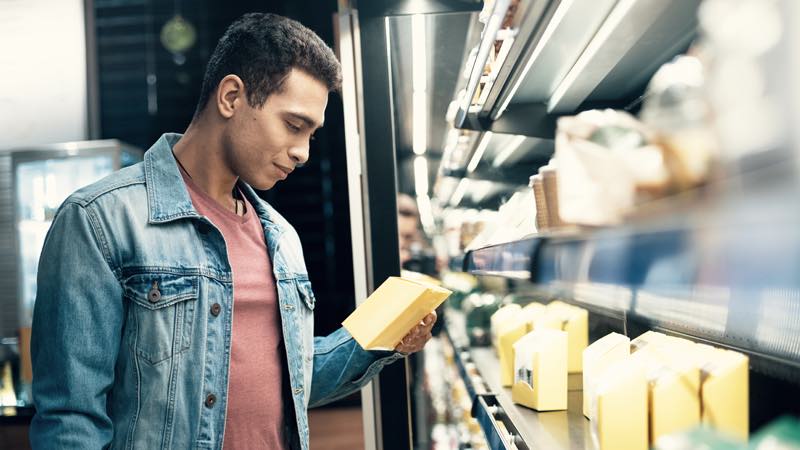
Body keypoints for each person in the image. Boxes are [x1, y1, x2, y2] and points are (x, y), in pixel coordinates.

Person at [28, 13, 436, 450]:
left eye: (312, 136)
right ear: (231, 97)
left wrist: (380, 337)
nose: (302, 153)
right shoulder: (99, 221)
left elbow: (286, 383)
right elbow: (71, 424)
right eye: (294, 126)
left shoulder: (281, 237)